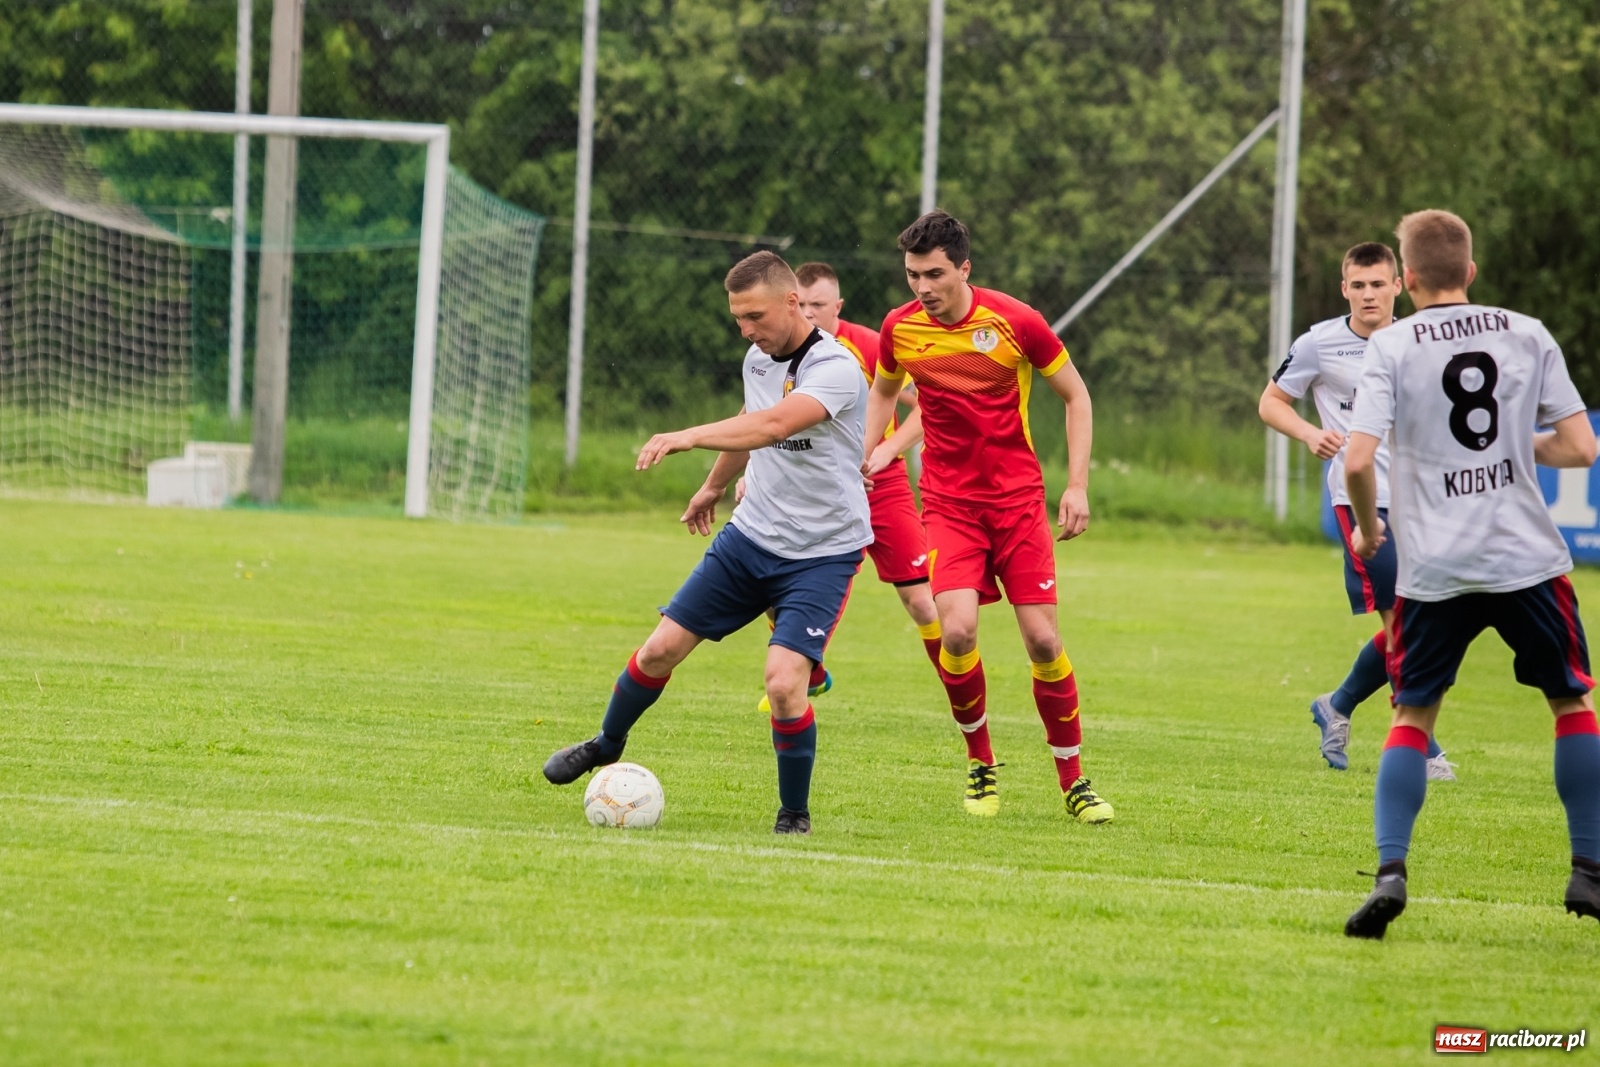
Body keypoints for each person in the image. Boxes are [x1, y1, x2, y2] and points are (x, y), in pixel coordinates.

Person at [541, 251, 873, 836]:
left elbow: (775, 425)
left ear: (792, 303)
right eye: (738, 318)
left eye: (754, 316)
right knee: (658, 651)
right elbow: (753, 416)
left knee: (784, 683)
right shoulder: (759, 359)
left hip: (821, 553)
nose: (745, 330)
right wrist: (714, 486)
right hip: (750, 537)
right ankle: (606, 743)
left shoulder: (836, 366)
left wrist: (688, 435)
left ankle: (793, 814)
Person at [1342, 209, 1600, 939]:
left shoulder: (1392, 345)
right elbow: (1582, 449)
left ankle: (1391, 873)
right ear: (1472, 272)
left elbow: (1358, 460)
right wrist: (1519, 444)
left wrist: (1368, 529)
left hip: (1436, 564)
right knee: (1570, 703)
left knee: (1412, 715)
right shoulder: (1527, 332)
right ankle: (1589, 867)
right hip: (1526, 557)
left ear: (1407, 278)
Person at [862, 210, 1113, 823]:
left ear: (964, 268)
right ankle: (981, 762)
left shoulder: (1015, 321)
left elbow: (1076, 396)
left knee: (1044, 640)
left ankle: (1074, 780)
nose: (923, 287)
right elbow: (884, 391)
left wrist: (1077, 485)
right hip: (949, 504)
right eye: (913, 275)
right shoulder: (901, 327)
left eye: (935, 274)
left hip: (1018, 501)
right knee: (956, 632)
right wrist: (870, 454)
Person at [1258, 242, 1454, 780]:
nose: (1369, 294)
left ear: (1399, 286)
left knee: (1421, 622)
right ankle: (1421, 748)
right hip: (1360, 500)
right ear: (1344, 288)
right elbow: (1270, 402)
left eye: (1378, 284)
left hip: (1420, 503)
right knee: (1404, 627)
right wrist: (1308, 433)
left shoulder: (1421, 341)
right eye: (1359, 285)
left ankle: (1337, 704)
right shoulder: (1319, 343)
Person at [739, 262, 941, 713]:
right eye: (804, 303)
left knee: (922, 602)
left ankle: (958, 689)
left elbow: (928, 404)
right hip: (811, 489)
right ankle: (806, 676)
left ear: (838, 306)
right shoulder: (778, 352)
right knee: (772, 591)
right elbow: (762, 420)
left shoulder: (866, 345)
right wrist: (750, 472)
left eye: (819, 304)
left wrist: (887, 449)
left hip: (881, 485)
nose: (810, 312)